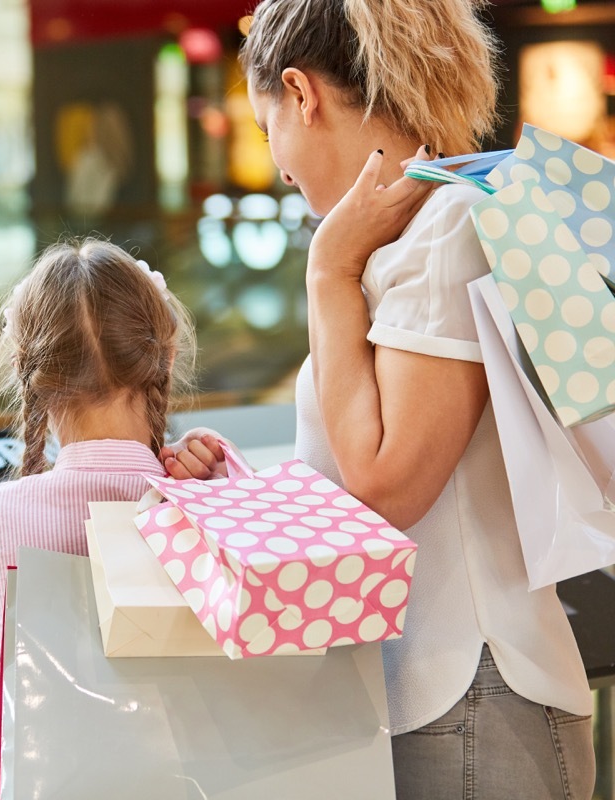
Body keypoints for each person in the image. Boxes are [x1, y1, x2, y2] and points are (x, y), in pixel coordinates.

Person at [170, 1, 595, 797]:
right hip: (445, 693)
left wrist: (325, 271)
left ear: (302, 94)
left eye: (270, 134)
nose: (281, 168)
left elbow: (384, 487)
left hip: (469, 693)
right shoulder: (417, 232)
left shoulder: (441, 232)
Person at [0, 238, 203, 682]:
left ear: (25, 371)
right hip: (200, 746)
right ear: (165, 358)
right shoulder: (210, 495)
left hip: (57, 750)